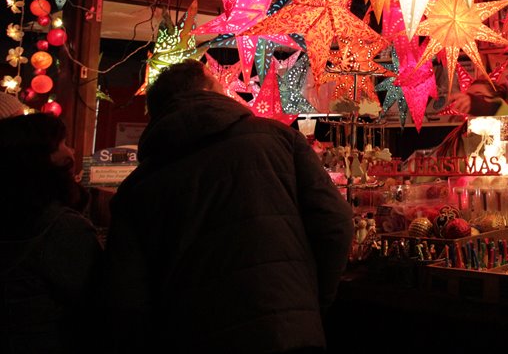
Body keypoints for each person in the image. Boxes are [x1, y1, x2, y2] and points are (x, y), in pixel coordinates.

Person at [100, 59, 353, 353]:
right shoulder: (279, 139)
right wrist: (309, 300)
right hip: (286, 332)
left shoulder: (136, 189)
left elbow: (124, 297)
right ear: (210, 91)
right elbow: (335, 223)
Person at [0, 112, 101, 353]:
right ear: (39, 159)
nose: (72, 152)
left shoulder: (14, 213)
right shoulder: (62, 227)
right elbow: (98, 299)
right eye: (63, 144)